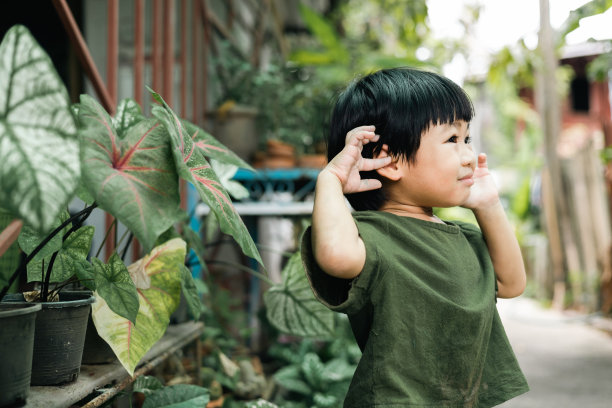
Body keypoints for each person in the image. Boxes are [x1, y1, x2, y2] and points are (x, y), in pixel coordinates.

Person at [301, 67, 529, 407]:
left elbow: (511, 284)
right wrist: (332, 178)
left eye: (467, 139)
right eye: (452, 140)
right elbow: (335, 254)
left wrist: (488, 203)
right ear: (390, 162)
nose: (468, 155)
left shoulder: (463, 237)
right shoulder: (372, 239)